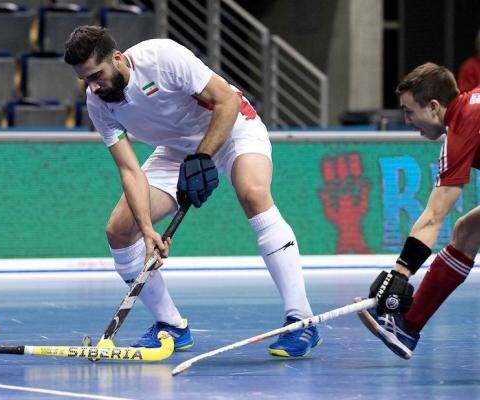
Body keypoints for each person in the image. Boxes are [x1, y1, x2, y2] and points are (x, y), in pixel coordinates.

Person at [64, 26, 321, 357]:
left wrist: (202, 157)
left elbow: (226, 100)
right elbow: (129, 170)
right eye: (85, 80)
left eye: (96, 76)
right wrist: (147, 231)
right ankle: (171, 325)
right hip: (177, 151)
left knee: (253, 194)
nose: (93, 86)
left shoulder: (162, 58)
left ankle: (301, 320)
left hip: (232, 128)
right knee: (120, 231)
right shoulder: (98, 103)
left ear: (116, 58)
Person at [362, 62, 480, 359]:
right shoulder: (471, 108)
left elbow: (433, 218)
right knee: (469, 230)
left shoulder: (462, 128)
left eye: (409, 111)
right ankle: (407, 327)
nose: (407, 120)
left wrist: (399, 275)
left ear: (434, 106)